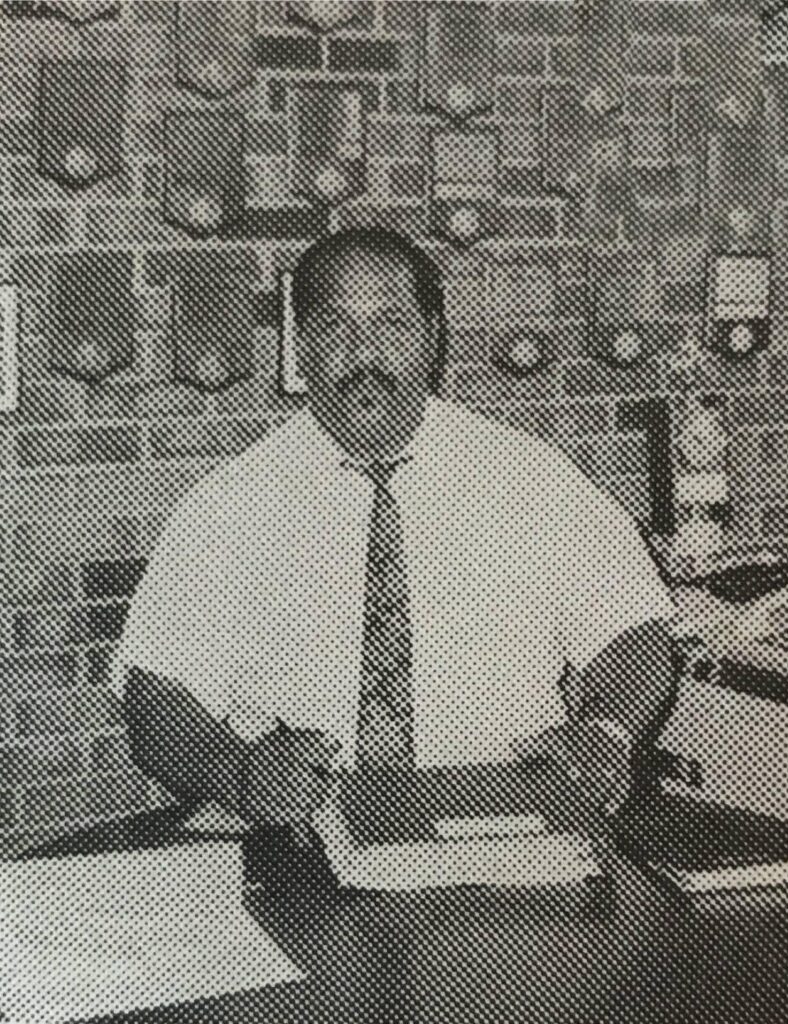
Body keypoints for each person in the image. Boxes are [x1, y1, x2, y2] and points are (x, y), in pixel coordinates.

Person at [115, 227, 677, 840]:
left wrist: (606, 732)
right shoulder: (230, 507)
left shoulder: (530, 479)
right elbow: (155, 696)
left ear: (432, 340)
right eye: (334, 327)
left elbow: (632, 632)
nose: (364, 355)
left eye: (391, 324)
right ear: (300, 346)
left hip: (506, 829)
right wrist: (242, 773)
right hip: (301, 839)